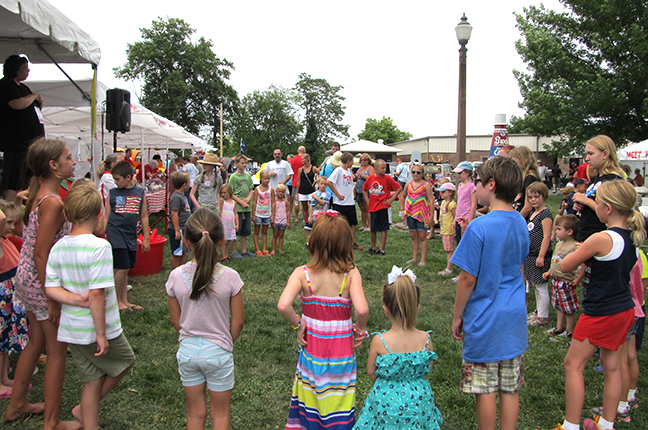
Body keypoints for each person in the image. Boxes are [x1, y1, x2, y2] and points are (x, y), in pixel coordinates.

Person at [44, 184, 135, 430]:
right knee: (125, 361)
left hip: (72, 328)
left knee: (92, 379)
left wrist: (74, 300)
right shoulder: (100, 247)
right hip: (98, 327)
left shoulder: (58, 247)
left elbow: (50, 287)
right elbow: (96, 294)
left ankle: (86, 419)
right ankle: (83, 410)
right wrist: (101, 334)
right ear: (99, 215)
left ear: (66, 215)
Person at [556, 180, 645, 430]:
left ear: (606, 208)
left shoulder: (601, 237)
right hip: (624, 309)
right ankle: (607, 423)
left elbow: (564, 265)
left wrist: (582, 251)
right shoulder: (631, 237)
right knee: (613, 367)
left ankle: (570, 425)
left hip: (600, 312)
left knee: (573, 365)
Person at [451, 156, 529, 430]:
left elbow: (467, 279)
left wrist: (457, 316)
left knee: (484, 388)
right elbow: (518, 265)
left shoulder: (479, 226)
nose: (475, 188)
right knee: (510, 387)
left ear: (491, 184)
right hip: (514, 317)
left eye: (478, 183)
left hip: (484, 318)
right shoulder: (520, 222)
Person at [5, 138, 79, 428]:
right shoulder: (53, 202)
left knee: (35, 342)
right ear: (53, 165)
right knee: (56, 350)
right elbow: (41, 252)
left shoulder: (37, 192)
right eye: (68, 158)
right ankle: (52, 422)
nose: (73, 162)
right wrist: (52, 296)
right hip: (40, 281)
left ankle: (17, 405)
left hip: (25, 278)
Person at [278, 212, 369, 429]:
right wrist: (361, 329)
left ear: (314, 241)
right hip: (341, 350)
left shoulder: (302, 274)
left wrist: (299, 323)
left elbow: (283, 305)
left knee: (311, 392)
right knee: (340, 396)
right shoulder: (351, 274)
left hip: (313, 348)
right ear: (347, 243)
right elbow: (362, 310)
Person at [166, 209, 245, 430]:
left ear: (188, 242)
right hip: (218, 351)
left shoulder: (175, 277)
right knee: (220, 416)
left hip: (188, 352)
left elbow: (176, 321)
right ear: (221, 240)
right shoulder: (230, 277)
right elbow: (238, 322)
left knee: (194, 414)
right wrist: (224, 342)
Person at [354, 267, 443, 429]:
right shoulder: (426, 339)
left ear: (385, 310)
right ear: (417, 308)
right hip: (419, 402)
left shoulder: (380, 341)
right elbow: (428, 368)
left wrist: (388, 384)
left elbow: (371, 372)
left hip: (385, 402)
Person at [103, 160, 150, 311]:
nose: (116, 182)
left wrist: (146, 238)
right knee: (121, 266)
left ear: (128, 177)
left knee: (126, 267)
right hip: (115, 232)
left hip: (130, 234)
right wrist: (103, 233)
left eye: (118, 179)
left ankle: (124, 300)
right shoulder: (113, 193)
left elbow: (143, 216)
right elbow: (106, 215)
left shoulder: (140, 193)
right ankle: (114, 301)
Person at [0, 55, 45, 201]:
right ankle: (9, 208)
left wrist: (37, 101)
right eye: (24, 68)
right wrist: (33, 97)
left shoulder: (24, 88)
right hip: (16, 143)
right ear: (14, 69)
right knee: (13, 179)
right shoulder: (6, 85)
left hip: (31, 142)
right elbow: (16, 104)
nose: (27, 71)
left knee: (28, 178)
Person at [0, 202, 28, 398]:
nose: (11, 226)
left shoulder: (6, 241)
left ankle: (4, 377)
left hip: (10, 295)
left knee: (5, 343)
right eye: (8, 222)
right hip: (3, 296)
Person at [574, 136, 625, 242]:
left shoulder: (613, 180)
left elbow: (612, 212)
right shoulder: (596, 179)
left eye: (591, 154)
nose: (587, 158)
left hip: (600, 238)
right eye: (586, 154)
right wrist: (581, 205)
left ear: (605, 154)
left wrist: (586, 201)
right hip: (586, 235)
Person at [543, 215, 582, 338]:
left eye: (559, 229)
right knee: (559, 305)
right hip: (556, 281)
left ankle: (570, 331)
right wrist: (549, 271)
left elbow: (581, 266)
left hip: (566, 282)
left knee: (569, 308)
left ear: (570, 231)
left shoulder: (575, 247)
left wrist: (578, 279)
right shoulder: (559, 245)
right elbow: (556, 261)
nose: (556, 232)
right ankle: (559, 328)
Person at [524, 182, 553, 327]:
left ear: (544, 196)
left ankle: (543, 316)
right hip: (531, 254)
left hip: (539, 255)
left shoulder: (545, 214)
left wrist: (541, 255)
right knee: (535, 284)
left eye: (536, 196)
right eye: (530, 197)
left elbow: (546, 236)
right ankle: (539, 311)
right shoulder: (532, 213)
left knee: (541, 286)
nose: (533, 199)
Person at [362, 159, 401, 256]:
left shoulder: (387, 178)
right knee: (373, 229)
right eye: (382, 168)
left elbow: (398, 188)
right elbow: (364, 189)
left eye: (385, 168)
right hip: (373, 207)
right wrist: (367, 200)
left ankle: (382, 249)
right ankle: (373, 247)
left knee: (384, 228)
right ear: (376, 168)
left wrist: (391, 199)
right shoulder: (370, 178)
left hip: (383, 206)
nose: (384, 170)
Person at [400, 163, 435, 267]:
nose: (415, 174)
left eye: (418, 172)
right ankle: (415, 257)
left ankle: (423, 259)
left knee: (422, 236)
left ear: (422, 174)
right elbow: (402, 196)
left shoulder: (426, 185)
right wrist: (402, 209)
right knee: (413, 236)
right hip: (410, 213)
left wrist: (431, 216)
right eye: (413, 172)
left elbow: (431, 201)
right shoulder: (408, 184)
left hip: (422, 215)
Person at [327, 152, 363, 250]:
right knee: (339, 224)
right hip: (340, 203)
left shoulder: (348, 171)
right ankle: (339, 243)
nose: (353, 163)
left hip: (350, 202)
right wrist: (337, 194)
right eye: (352, 161)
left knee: (353, 223)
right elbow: (329, 182)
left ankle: (351, 243)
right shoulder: (338, 170)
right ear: (348, 161)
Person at [451, 161, 477, 282]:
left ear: (467, 173)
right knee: (460, 245)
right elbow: (459, 203)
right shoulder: (460, 186)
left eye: (460, 173)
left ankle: (465, 273)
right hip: (459, 219)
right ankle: (462, 271)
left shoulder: (472, 187)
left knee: (466, 247)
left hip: (466, 220)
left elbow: (473, 205)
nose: (458, 175)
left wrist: (470, 221)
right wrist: (454, 219)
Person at [228, 154, 255, 259]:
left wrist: (248, 199)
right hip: (237, 208)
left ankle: (244, 250)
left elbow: (251, 189)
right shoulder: (233, 177)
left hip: (246, 207)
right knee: (236, 229)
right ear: (237, 164)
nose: (244, 165)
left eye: (245, 163)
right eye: (242, 163)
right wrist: (241, 202)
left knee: (245, 229)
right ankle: (234, 250)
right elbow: (231, 193)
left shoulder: (248, 176)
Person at [510, 146, 542, 217]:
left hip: (526, 219)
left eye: (514, 160)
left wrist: (516, 221)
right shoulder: (523, 176)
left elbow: (528, 207)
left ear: (521, 159)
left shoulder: (530, 178)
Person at [169, 173, 191, 270]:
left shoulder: (182, 196)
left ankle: (182, 270)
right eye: (188, 183)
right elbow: (174, 214)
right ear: (184, 185)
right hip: (178, 229)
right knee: (177, 252)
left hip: (185, 228)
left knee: (185, 251)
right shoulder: (176, 197)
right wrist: (177, 230)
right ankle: (176, 271)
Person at [252, 170, 274, 256]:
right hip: (258, 213)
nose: (267, 180)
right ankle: (257, 249)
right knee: (256, 231)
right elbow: (254, 202)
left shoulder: (271, 189)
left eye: (268, 178)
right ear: (261, 179)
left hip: (267, 214)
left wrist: (272, 214)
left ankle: (264, 249)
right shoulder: (257, 189)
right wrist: (253, 214)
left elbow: (273, 202)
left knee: (265, 232)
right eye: (265, 178)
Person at [436, 183, 457, 275]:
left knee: (449, 249)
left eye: (444, 192)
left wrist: (454, 225)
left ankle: (449, 268)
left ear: (450, 193)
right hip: (444, 229)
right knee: (447, 249)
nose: (442, 194)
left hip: (449, 230)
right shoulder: (444, 203)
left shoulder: (452, 204)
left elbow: (455, 216)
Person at [294, 154, 319, 224]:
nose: (302, 161)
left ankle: (313, 219)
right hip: (302, 190)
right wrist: (297, 192)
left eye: (303, 159)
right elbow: (298, 181)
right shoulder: (300, 170)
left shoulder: (313, 168)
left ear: (307, 159)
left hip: (311, 190)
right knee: (304, 207)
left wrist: (317, 180)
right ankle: (306, 221)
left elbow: (321, 174)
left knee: (313, 206)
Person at [307, 176, 331, 247]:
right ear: (318, 183)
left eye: (325, 184)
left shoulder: (328, 194)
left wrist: (315, 197)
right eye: (322, 184)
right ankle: (312, 243)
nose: (323, 186)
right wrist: (311, 216)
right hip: (315, 214)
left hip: (323, 215)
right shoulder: (315, 193)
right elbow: (311, 205)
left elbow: (323, 203)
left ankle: (323, 243)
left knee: (322, 230)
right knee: (314, 229)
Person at [218, 184, 238, 263]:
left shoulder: (234, 203)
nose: (223, 194)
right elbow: (220, 211)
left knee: (228, 240)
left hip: (231, 224)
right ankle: (223, 256)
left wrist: (237, 224)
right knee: (224, 241)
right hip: (224, 223)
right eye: (221, 193)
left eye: (225, 193)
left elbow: (235, 213)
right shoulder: (222, 201)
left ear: (229, 192)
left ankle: (226, 254)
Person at [355, 154, 374, 232]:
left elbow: (371, 177)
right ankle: (363, 225)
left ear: (368, 160)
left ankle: (370, 226)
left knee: (368, 208)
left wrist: (362, 175)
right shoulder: (360, 168)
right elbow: (356, 177)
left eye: (364, 160)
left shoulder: (370, 168)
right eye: (361, 160)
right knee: (362, 209)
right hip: (358, 190)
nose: (363, 161)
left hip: (366, 191)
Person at [271, 184, 290, 255]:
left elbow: (288, 211)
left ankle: (280, 249)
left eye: (282, 192)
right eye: (279, 191)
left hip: (283, 221)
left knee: (281, 235)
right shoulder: (274, 201)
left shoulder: (285, 202)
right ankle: (273, 250)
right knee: (275, 235)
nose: (281, 193)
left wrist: (288, 221)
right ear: (276, 192)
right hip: (276, 220)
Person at [290, 146, 305, 221]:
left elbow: (290, 169)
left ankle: (296, 217)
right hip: (303, 181)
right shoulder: (305, 159)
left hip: (295, 181)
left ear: (297, 151)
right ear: (304, 151)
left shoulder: (292, 160)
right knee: (304, 201)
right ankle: (304, 218)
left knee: (296, 201)